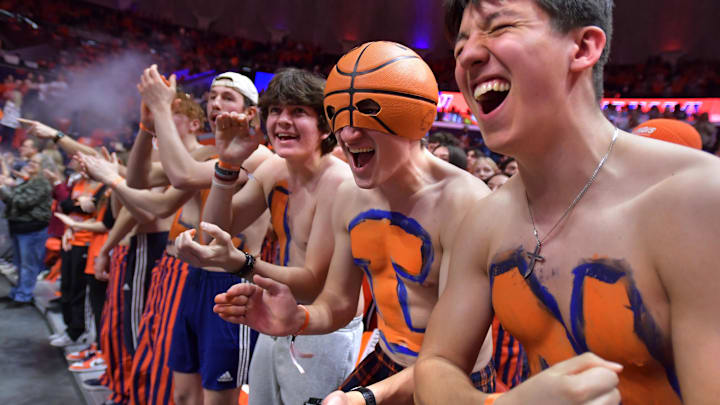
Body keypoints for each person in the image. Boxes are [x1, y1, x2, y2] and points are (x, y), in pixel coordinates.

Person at [414, 1, 720, 405]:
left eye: (499, 27)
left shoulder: (696, 199)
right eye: (460, 46)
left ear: (582, 48)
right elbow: (435, 366)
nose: (468, 54)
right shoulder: (486, 219)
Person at [212, 41, 496, 405]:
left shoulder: (465, 202)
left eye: (366, 113)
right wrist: (296, 318)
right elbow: (337, 303)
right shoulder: (351, 195)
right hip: (389, 360)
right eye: (340, 117)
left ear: (413, 117)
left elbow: (455, 354)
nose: (348, 134)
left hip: (457, 376)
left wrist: (364, 398)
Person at [173, 67, 364, 405]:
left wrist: (241, 264)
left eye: (298, 112)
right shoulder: (275, 168)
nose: (283, 120)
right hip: (278, 310)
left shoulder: (340, 181)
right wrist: (228, 165)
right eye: (276, 110)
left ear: (324, 126)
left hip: (324, 324)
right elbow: (219, 227)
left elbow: (311, 283)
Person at [0, 152, 52, 307]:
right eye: (30, 161)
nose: (30, 164)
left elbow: (22, 202)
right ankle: (18, 292)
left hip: (32, 229)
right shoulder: (28, 180)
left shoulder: (41, 183)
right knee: (20, 263)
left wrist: (3, 187)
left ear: (43, 167)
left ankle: (23, 295)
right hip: (20, 227)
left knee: (28, 265)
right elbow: (13, 199)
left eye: (35, 162)